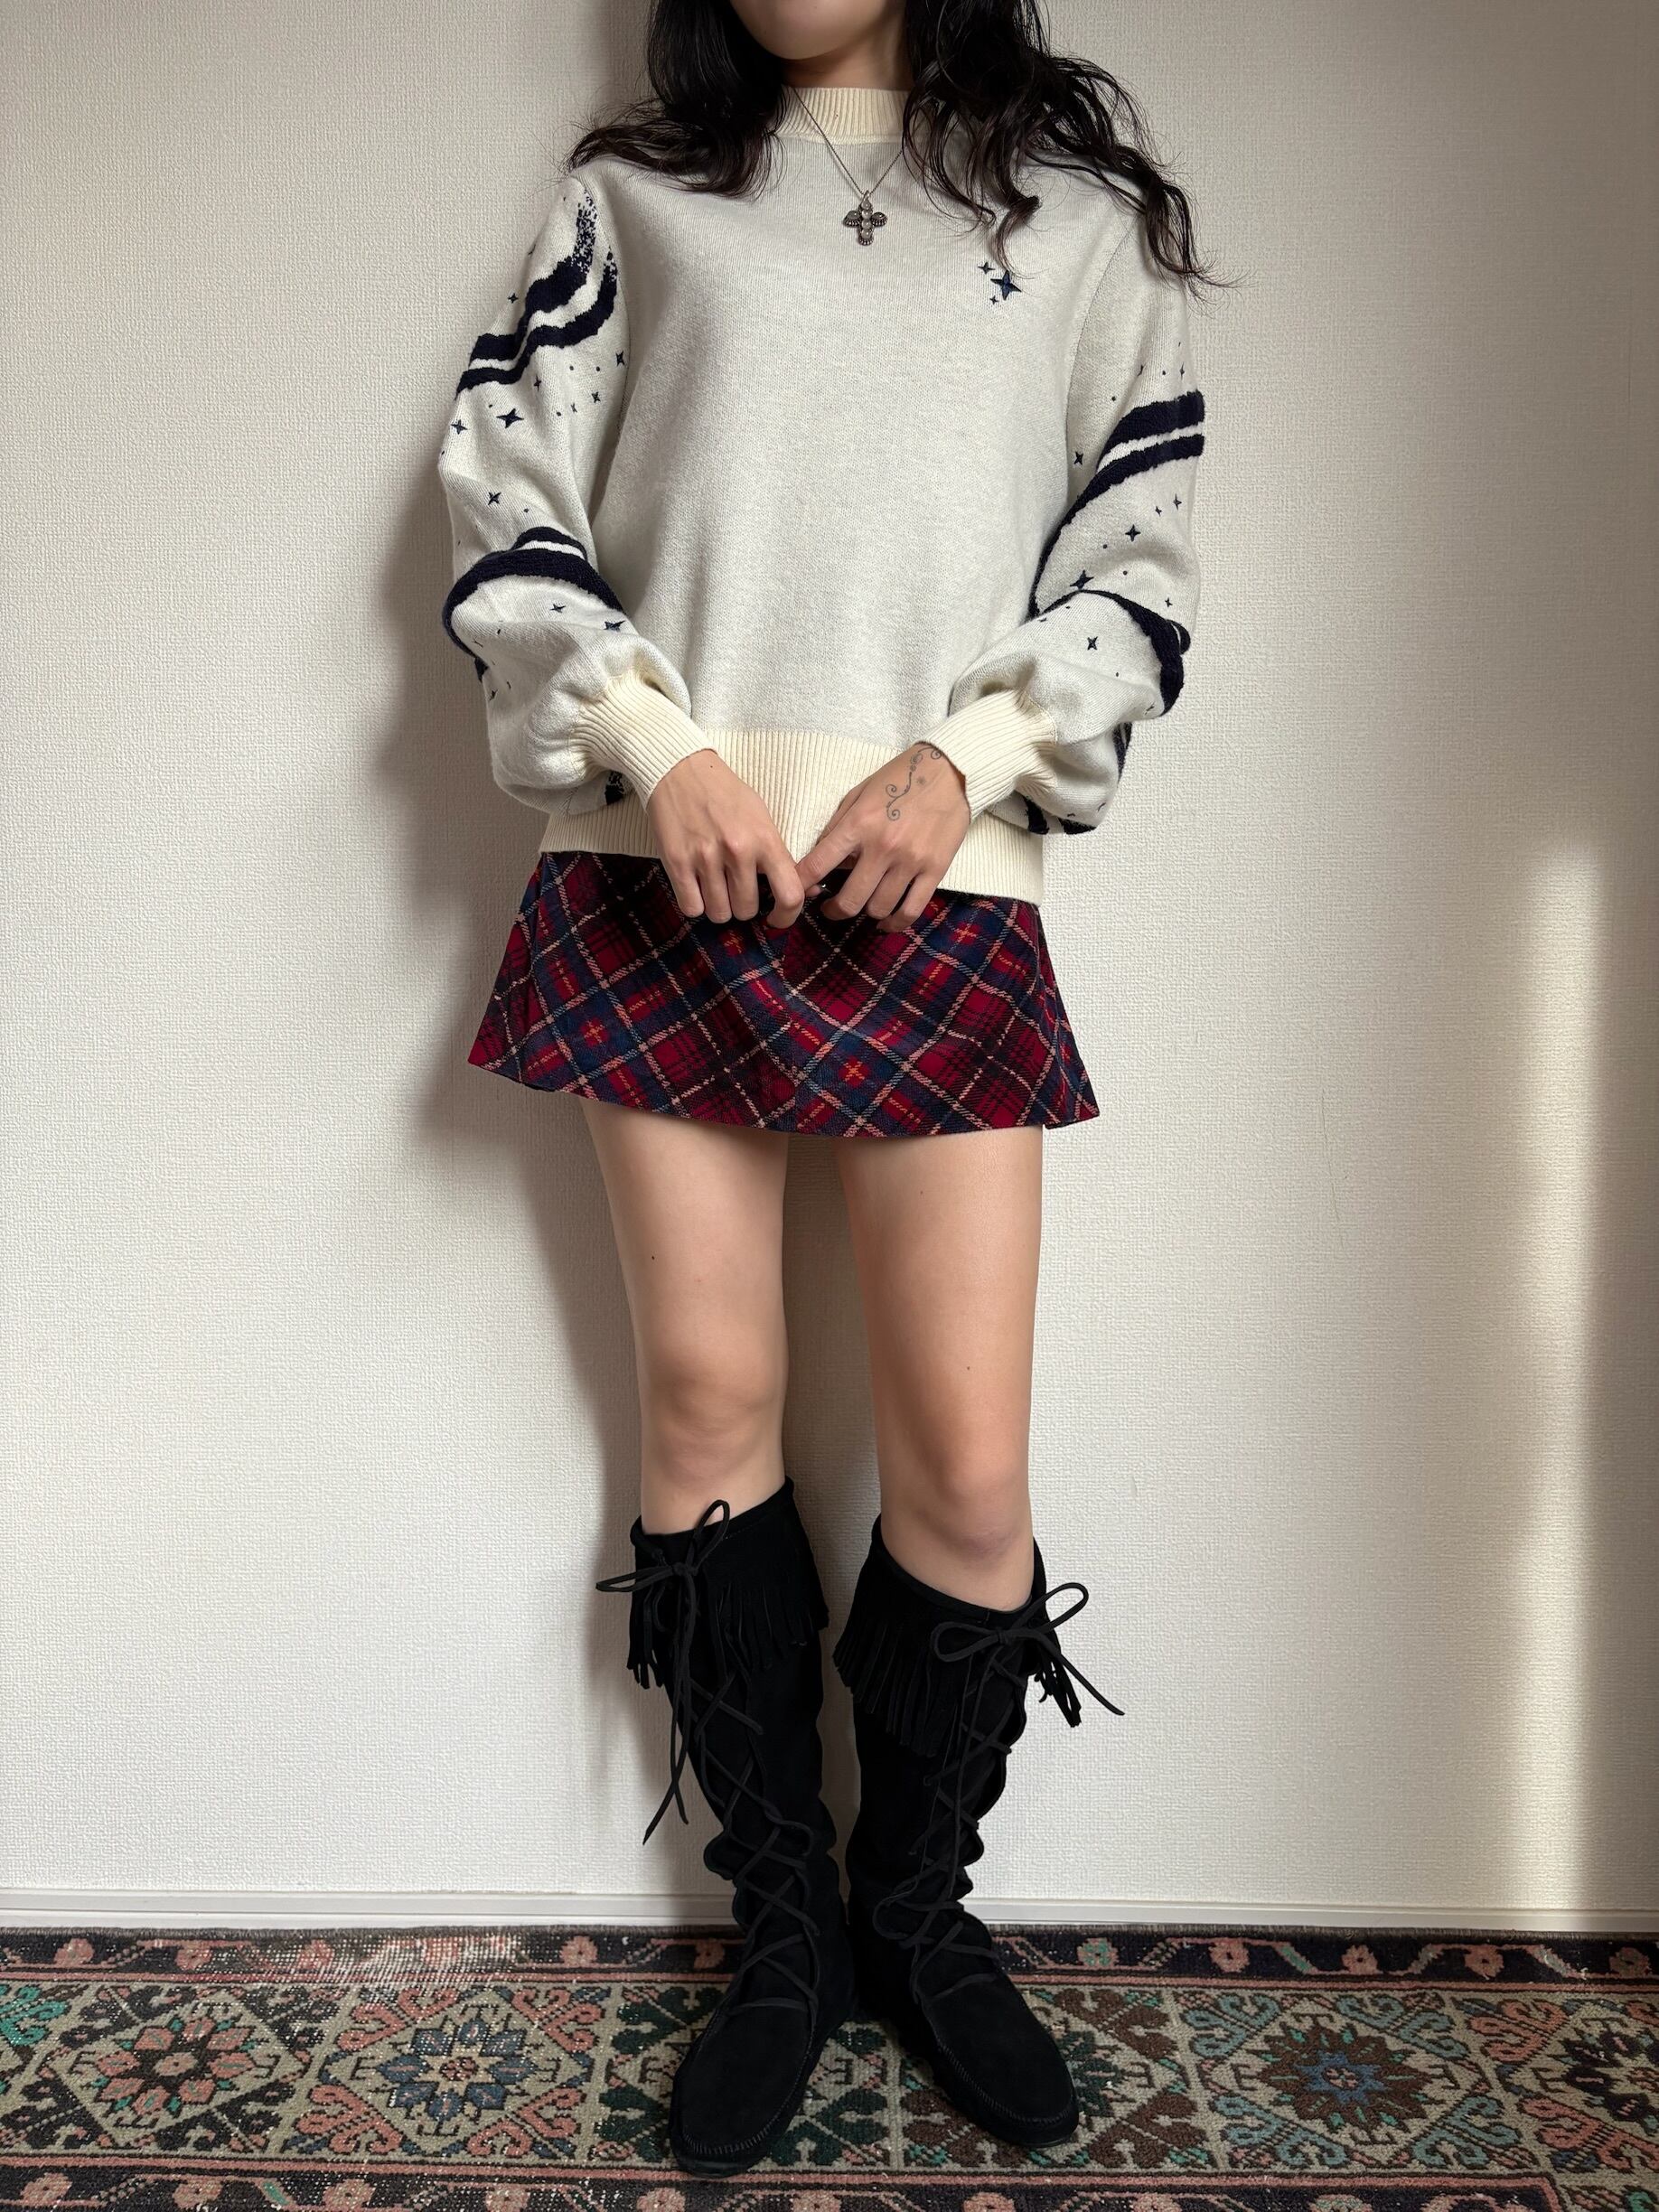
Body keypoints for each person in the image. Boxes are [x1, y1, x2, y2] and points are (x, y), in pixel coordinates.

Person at [436, 0, 1213, 2178]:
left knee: (964, 1460)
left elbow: (1141, 567)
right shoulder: (635, 201)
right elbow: (502, 481)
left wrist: (966, 764)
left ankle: (916, 1916)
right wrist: (652, 744)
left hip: (939, 877)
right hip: (653, 866)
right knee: (706, 1406)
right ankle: (782, 1932)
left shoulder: (1079, 226)